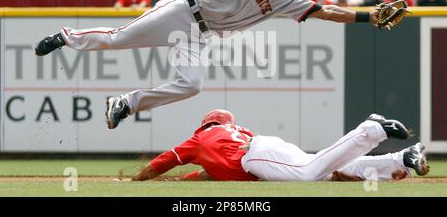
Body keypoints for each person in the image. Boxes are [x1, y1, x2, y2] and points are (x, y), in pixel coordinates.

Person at [35, 0, 383, 130]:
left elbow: (327, 11)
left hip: (200, 35)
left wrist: (369, 17)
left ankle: (126, 104)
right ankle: (65, 37)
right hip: (183, 12)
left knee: (192, 85)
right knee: (119, 39)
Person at [130, 110, 429, 182]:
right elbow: (209, 174)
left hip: (255, 157)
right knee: (324, 169)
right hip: (265, 147)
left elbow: (163, 161)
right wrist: (185, 181)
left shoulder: (198, 140)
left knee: (310, 173)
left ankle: (371, 129)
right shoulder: (233, 130)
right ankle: (401, 159)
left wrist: (138, 179)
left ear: (205, 123)